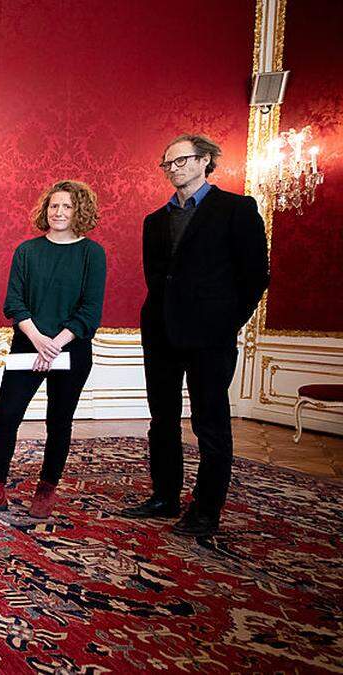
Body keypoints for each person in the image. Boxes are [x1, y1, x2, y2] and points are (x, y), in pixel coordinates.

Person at [121, 134, 269, 537]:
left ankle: (206, 509)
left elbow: (256, 276)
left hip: (211, 336)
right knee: (162, 419)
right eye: (167, 164)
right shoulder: (155, 220)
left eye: (181, 161)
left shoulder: (236, 209)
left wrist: (228, 322)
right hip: (161, 333)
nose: (174, 169)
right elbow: (157, 277)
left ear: (205, 161)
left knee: (210, 421)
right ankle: (164, 496)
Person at [0, 180, 106, 519]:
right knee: (8, 415)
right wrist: (39, 341)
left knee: (59, 420)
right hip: (29, 343)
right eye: (54, 206)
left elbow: (90, 311)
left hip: (70, 350)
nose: (58, 212)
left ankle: (46, 488)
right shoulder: (27, 251)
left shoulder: (92, 253)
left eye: (67, 207)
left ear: (79, 211)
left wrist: (54, 345)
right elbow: (13, 302)